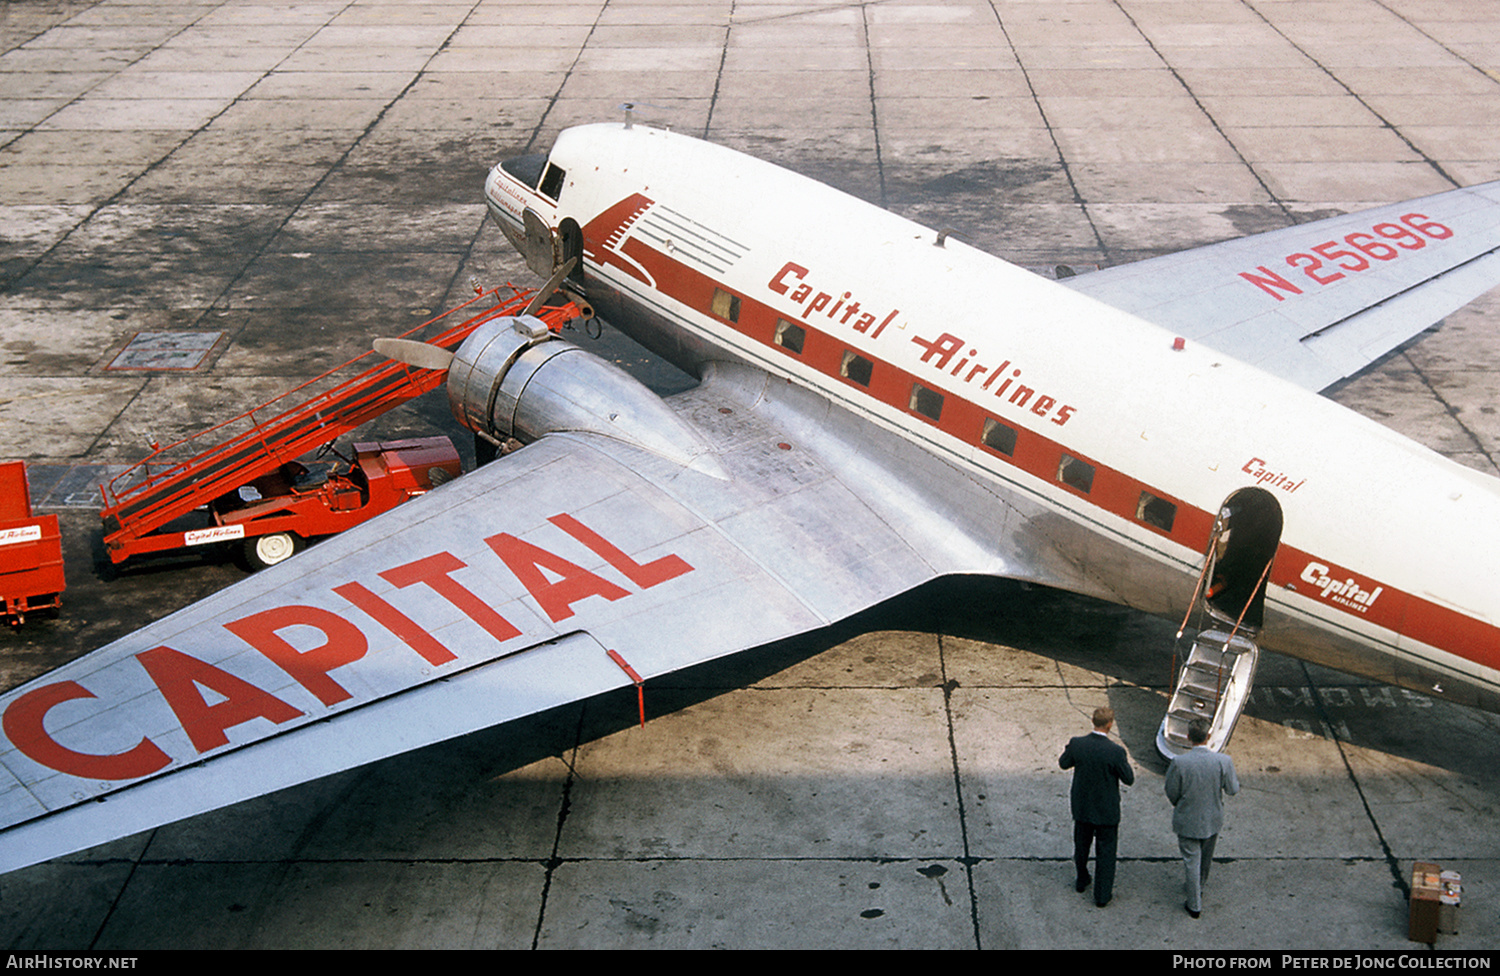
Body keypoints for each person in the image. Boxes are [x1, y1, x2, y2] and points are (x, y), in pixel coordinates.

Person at [1058, 706, 1134, 907]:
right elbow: (1129, 779)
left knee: (1081, 846)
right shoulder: (1116, 752)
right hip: (1106, 811)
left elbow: (1063, 763)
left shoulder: (1077, 744)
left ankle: (1082, 879)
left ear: (1093, 721)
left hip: (1082, 807)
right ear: (1110, 724)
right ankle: (1102, 895)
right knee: (1106, 853)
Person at [1164, 719, 1241, 918]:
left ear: (1188, 737)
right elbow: (1232, 789)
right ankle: (1199, 887)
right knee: (1205, 859)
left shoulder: (1179, 763)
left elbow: (1171, 791)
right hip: (1212, 818)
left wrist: (1180, 805)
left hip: (1187, 818)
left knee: (1191, 861)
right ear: (1209, 736)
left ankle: (1194, 903)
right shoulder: (1223, 761)